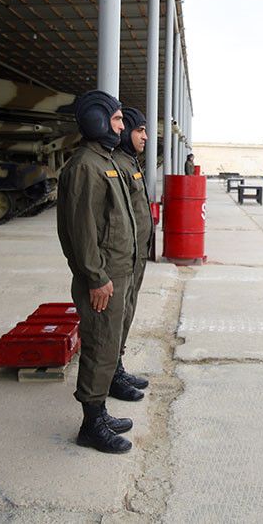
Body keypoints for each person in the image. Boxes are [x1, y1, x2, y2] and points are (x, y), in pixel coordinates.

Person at [56, 90, 138, 454]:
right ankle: (90, 425)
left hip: (116, 271)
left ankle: (100, 411)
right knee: (99, 345)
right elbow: (82, 229)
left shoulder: (102, 160)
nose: (121, 127)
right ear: (97, 121)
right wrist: (96, 276)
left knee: (108, 346)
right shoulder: (85, 166)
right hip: (103, 276)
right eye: (118, 119)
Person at [109, 107, 153, 402]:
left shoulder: (130, 163)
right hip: (123, 257)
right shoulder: (119, 165)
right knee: (116, 317)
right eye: (140, 130)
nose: (145, 137)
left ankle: (116, 367)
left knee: (127, 313)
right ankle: (110, 374)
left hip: (135, 256)